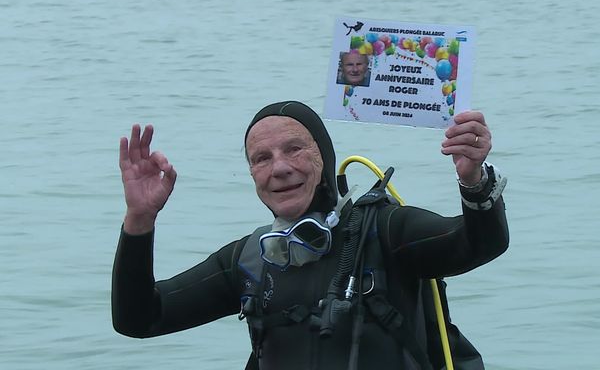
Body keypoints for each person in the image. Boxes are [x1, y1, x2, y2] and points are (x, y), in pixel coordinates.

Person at [112, 100, 509, 370]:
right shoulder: (248, 261)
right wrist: (139, 219)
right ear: (252, 174)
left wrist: (473, 180)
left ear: (324, 157)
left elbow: (478, 243)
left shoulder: (385, 231)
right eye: (261, 158)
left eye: (295, 149)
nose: (279, 168)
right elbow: (139, 318)